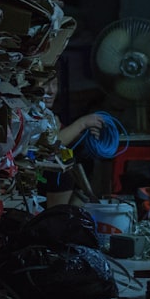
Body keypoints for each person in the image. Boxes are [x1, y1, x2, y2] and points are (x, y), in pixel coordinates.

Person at [37, 68, 106, 207]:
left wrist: (85, 136)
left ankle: (71, 213)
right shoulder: (32, 115)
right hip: (33, 163)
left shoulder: (52, 117)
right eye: (45, 84)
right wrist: (82, 123)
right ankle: (54, 219)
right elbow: (51, 144)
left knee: (76, 157)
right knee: (60, 174)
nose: (51, 91)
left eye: (54, 84)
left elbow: (62, 140)